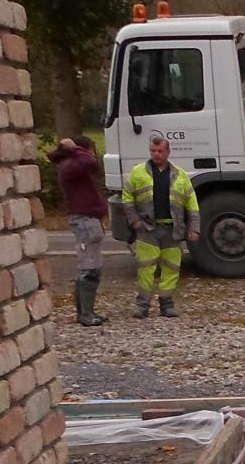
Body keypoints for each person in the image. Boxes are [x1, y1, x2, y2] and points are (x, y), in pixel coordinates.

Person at [121, 134, 201, 319]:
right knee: (146, 269)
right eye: (153, 151)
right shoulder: (138, 172)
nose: (156, 154)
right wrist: (135, 221)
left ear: (168, 152)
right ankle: (143, 306)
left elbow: (192, 203)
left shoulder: (180, 175)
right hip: (147, 229)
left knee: (171, 268)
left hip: (172, 229)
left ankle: (167, 304)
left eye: (160, 151)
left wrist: (194, 228)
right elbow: (127, 197)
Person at [49, 134, 109, 326]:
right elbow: (89, 163)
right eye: (91, 150)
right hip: (84, 220)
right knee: (88, 267)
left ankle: (87, 311)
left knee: (92, 265)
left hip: (89, 219)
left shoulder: (73, 167)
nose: (92, 155)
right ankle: (85, 314)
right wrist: (75, 148)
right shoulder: (71, 166)